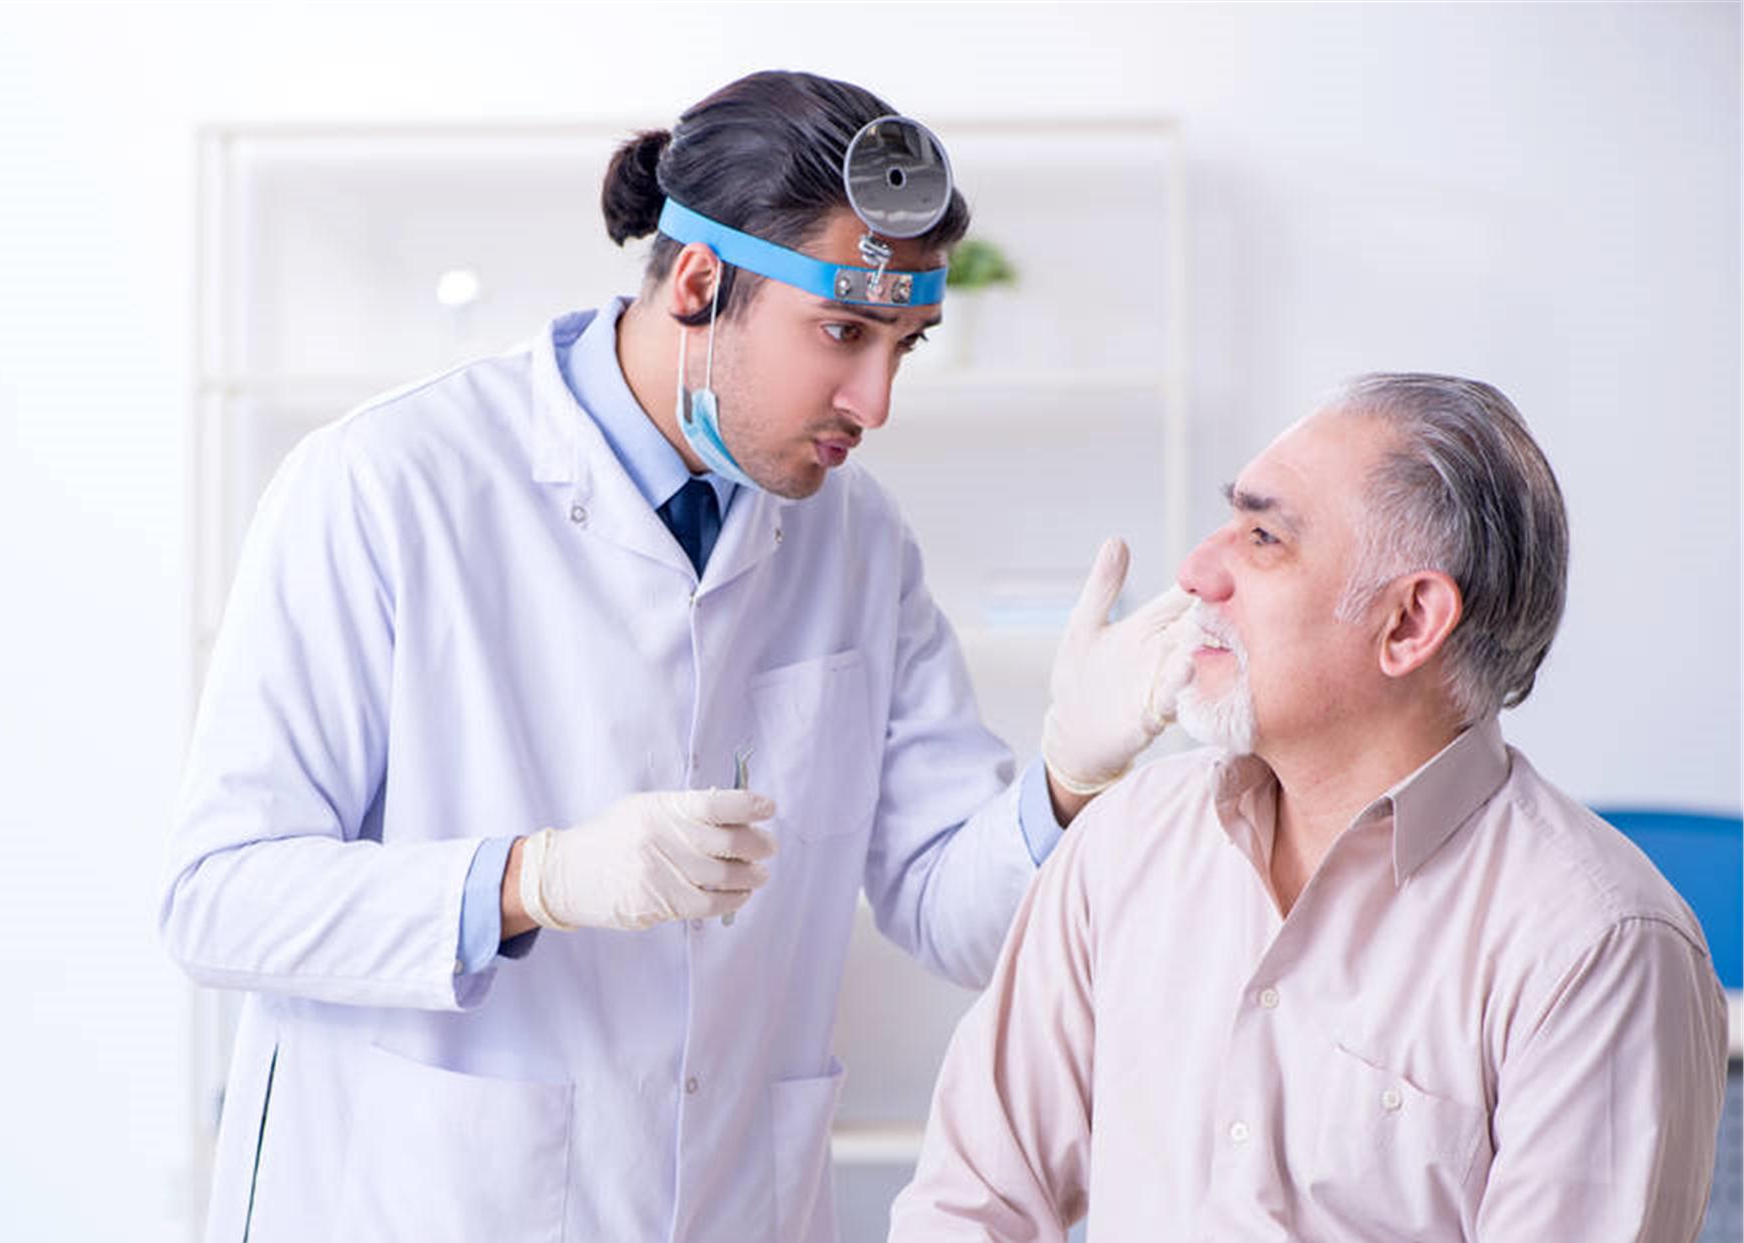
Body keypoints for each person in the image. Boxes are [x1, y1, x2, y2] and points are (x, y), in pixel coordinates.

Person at [161, 70, 1193, 1242]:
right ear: (700, 283)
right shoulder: (387, 484)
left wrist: (1067, 777)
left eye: (905, 344)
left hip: (729, 1201)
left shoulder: (857, 540)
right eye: (844, 333)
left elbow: (950, 915)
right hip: (427, 1197)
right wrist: (530, 881)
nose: (876, 402)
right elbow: (218, 900)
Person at [889, 373, 1731, 1241]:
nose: (1196, 572)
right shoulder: (1127, 841)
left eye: (1263, 537)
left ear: (1410, 622)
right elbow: (969, 1202)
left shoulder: (1596, 946)